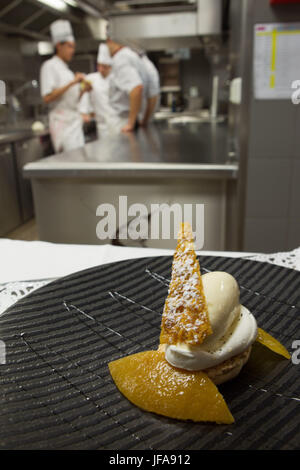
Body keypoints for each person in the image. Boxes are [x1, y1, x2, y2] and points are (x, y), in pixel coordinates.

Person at [40, 20, 91, 153]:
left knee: (78, 162)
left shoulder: (67, 71)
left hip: (74, 122)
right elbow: (47, 97)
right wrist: (72, 83)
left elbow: (70, 100)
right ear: (58, 46)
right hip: (62, 123)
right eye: (69, 46)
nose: (72, 51)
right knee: (70, 164)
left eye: (73, 47)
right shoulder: (49, 66)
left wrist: (83, 91)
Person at [106, 37, 149, 133]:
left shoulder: (121, 58)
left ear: (110, 41)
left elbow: (136, 88)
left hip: (123, 121)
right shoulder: (130, 55)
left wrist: (130, 123)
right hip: (130, 118)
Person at [79, 43, 115, 139]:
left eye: (104, 67)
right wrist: (84, 112)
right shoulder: (91, 79)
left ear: (110, 67)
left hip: (117, 123)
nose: (101, 69)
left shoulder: (116, 79)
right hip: (101, 125)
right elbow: (85, 94)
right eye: (99, 66)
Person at [139, 52, 160, 127]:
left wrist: (145, 120)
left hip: (143, 120)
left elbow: (153, 95)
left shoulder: (147, 67)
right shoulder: (139, 64)